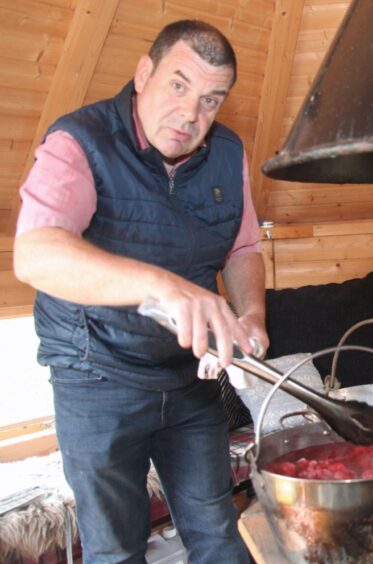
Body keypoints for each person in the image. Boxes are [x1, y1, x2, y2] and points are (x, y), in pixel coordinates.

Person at [13, 20, 267, 563]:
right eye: (178, 85)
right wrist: (163, 284)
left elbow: (244, 248)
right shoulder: (78, 139)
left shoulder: (228, 152)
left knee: (219, 535)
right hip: (95, 378)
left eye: (210, 100)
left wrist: (252, 315)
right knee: (116, 549)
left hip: (188, 378)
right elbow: (34, 253)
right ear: (144, 73)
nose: (191, 115)